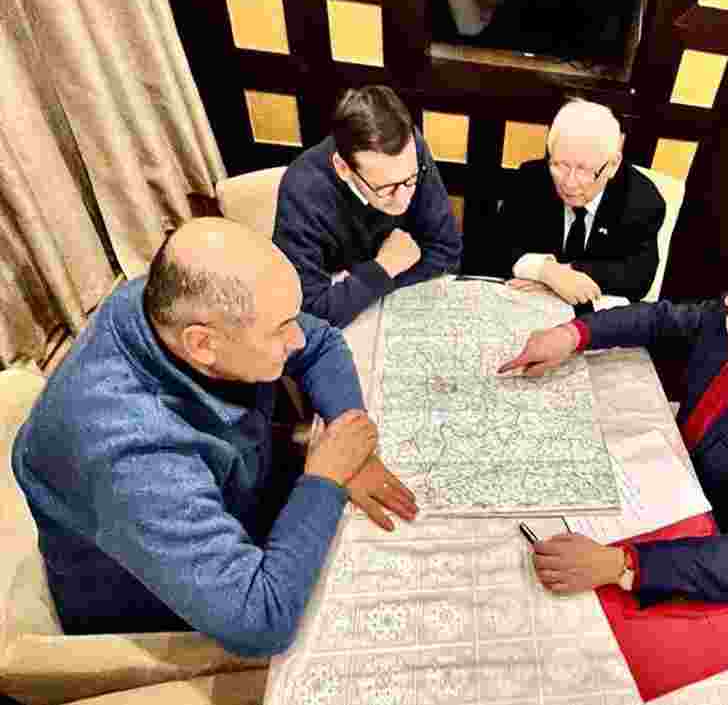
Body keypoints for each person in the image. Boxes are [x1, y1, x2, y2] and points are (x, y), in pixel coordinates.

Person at [12, 218, 418, 657]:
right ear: (203, 345)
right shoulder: (130, 455)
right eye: (280, 327)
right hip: (159, 613)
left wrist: (347, 432)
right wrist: (325, 479)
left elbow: (320, 341)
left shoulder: (167, 302)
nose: (296, 336)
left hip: (236, 496)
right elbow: (260, 623)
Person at [498, 217, 728, 604]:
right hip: (660, 471)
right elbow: (663, 320)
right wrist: (574, 334)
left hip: (694, 539)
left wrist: (620, 564)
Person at [273, 85, 462, 329]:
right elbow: (309, 311)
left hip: (388, 310)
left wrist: (356, 288)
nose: (404, 199)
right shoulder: (302, 189)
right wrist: (385, 267)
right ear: (343, 168)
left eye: (411, 179)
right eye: (386, 188)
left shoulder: (411, 148)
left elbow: (446, 251)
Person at [481, 99, 665, 304]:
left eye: (584, 170)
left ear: (613, 164)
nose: (569, 183)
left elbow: (637, 277)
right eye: (559, 165)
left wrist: (566, 274)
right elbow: (492, 248)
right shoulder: (531, 179)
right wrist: (544, 271)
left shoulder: (642, 202)